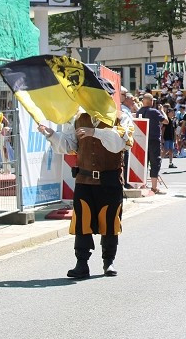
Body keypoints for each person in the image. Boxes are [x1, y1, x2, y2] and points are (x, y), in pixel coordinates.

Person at [39, 85, 135, 278]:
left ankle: (109, 262)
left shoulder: (121, 117)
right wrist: (51, 134)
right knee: (82, 222)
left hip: (109, 180)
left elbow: (119, 144)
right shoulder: (78, 117)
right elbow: (69, 146)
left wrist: (95, 132)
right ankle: (81, 263)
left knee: (110, 221)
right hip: (84, 179)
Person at [135, 93, 166, 195]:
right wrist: (162, 111)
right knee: (155, 162)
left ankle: (143, 184)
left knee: (143, 162)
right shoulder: (154, 111)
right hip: (153, 139)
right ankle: (154, 187)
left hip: (142, 140)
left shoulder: (139, 111)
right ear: (151, 101)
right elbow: (166, 121)